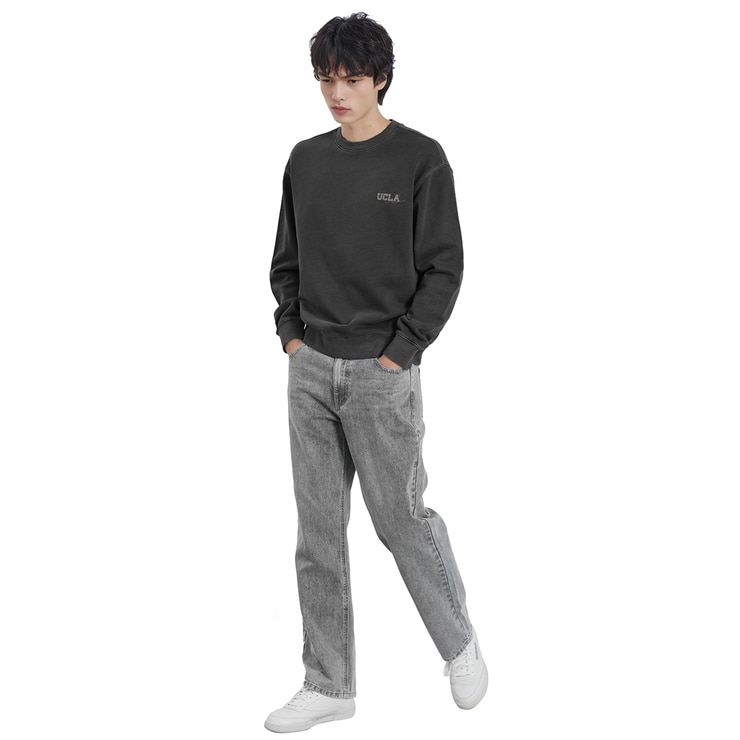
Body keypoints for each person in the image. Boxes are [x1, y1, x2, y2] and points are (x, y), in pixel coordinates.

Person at [265, 12, 487, 733]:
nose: (337, 94)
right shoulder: (305, 159)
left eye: (352, 79)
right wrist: (292, 337)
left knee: (402, 520)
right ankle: (328, 684)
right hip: (310, 370)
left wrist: (402, 349)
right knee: (317, 534)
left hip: (382, 372)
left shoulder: (420, 159)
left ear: (381, 79)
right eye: (326, 80)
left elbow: (444, 267)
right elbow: (286, 259)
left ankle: (458, 642)